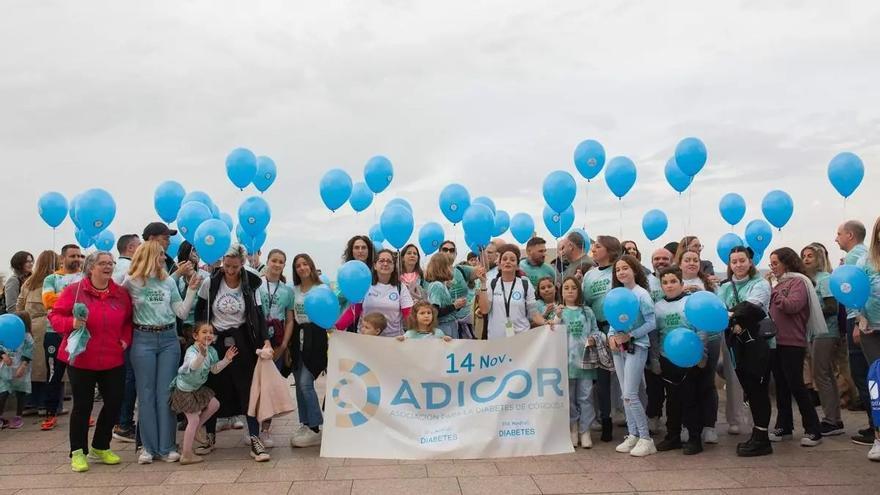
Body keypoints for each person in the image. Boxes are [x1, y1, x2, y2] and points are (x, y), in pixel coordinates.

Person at [47, 251, 132, 473]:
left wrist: (125, 340)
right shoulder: (74, 291)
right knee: (82, 406)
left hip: (112, 357)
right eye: (102, 263)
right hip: (81, 358)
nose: (108, 267)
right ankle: (78, 451)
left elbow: (128, 321)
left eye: (111, 263)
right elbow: (54, 316)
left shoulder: (121, 294)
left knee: (114, 402)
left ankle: (100, 446)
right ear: (91, 267)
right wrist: (71, 323)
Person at [124, 240, 201, 464]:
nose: (163, 259)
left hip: (168, 339)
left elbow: (182, 312)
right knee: (146, 394)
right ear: (148, 256)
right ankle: (148, 448)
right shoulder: (130, 282)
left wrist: (192, 291)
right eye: (159, 255)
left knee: (166, 394)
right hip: (143, 338)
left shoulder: (168, 281)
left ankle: (167, 447)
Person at [194, 243, 273, 462]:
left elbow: (259, 314)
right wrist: (200, 337)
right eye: (227, 266)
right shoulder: (210, 283)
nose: (230, 270)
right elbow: (199, 311)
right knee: (213, 387)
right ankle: (210, 435)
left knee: (247, 388)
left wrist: (265, 340)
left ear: (242, 264)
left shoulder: (251, 283)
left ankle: (255, 437)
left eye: (235, 267)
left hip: (242, 340)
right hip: (216, 340)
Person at [767, 247, 825, 446]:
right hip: (776, 341)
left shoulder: (798, 282)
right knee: (781, 386)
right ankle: (784, 426)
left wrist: (774, 291)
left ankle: (813, 428)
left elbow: (792, 306)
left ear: (787, 263)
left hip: (792, 341)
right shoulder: (779, 284)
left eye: (775, 263)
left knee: (796, 385)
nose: (772, 267)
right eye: (771, 264)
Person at [718, 246, 773, 457]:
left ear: (750, 262)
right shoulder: (724, 287)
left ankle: (762, 437)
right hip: (736, 345)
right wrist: (731, 317)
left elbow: (752, 306)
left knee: (758, 390)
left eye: (742, 260)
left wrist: (731, 315)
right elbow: (717, 309)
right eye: (734, 261)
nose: (738, 265)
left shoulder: (760, 283)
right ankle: (757, 435)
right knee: (748, 389)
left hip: (758, 345)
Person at [653, 267, 711, 455]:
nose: (669, 286)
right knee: (672, 400)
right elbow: (655, 335)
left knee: (690, 399)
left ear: (681, 283)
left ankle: (694, 438)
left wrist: (701, 355)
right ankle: (673, 436)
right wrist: (655, 359)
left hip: (690, 359)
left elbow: (701, 329)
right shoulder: (658, 306)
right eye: (665, 282)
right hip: (667, 358)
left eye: (673, 281)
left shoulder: (690, 303)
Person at [608, 255, 657, 457]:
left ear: (635, 270)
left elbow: (651, 323)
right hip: (619, 349)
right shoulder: (615, 294)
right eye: (618, 269)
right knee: (624, 395)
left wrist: (630, 335)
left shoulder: (642, 294)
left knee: (631, 394)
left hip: (637, 346)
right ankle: (633, 434)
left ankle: (646, 438)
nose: (621, 272)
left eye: (625, 268)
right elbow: (613, 321)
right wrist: (611, 336)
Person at [170, 323, 237, 465]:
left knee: (214, 404)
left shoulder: (212, 351)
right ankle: (186, 454)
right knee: (193, 420)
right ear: (195, 336)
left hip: (196, 388)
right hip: (184, 390)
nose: (208, 335)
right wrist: (201, 355)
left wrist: (226, 360)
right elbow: (193, 366)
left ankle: (196, 429)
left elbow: (214, 369)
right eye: (204, 332)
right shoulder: (191, 351)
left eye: (211, 332)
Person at [835, 220, 875, 446]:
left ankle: (874, 426)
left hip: (859, 320)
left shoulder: (854, 259)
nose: (836, 238)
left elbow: (854, 292)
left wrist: (858, 323)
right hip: (866, 319)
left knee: (862, 373)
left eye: (839, 234)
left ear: (850, 235)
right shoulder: (866, 254)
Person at [801, 243, 846, 436]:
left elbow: (832, 307)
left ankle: (831, 420)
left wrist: (809, 312)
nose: (806, 259)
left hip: (826, 332)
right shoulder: (809, 280)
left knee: (822, 375)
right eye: (804, 256)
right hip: (815, 333)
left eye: (810, 256)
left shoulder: (825, 279)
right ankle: (834, 418)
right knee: (825, 374)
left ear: (819, 258)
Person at [40, 244, 84, 431]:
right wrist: (74, 297)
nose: (77, 259)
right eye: (73, 256)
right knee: (54, 374)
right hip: (54, 332)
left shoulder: (85, 277)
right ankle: (50, 413)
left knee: (83, 375)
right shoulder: (52, 278)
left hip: (79, 332)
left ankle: (84, 412)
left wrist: (63, 299)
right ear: (62, 258)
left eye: (79, 256)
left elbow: (89, 300)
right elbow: (48, 301)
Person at [582, 235, 620, 442]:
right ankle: (606, 420)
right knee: (602, 380)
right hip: (598, 330)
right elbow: (585, 302)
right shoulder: (589, 275)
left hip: (621, 330)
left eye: (598, 246)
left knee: (626, 379)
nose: (593, 250)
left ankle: (635, 423)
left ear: (610, 250)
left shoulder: (619, 270)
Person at [556, 276, 600, 449]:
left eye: (573, 288)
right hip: (566, 362)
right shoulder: (559, 311)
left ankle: (585, 430)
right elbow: (552, 330)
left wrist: (594, 338)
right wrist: (557, 317)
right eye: (566, 288)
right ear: (561, 291)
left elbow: (596, 331)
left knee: (586, 396)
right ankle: (573, 428)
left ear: (579, 291)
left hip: (585, 361)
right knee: (569, 398)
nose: (570, 291)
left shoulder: (587, 311)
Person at [289, 253, 327, 448]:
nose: (302, 268)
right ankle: (305, 423)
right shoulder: (293, 290)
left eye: (305, 264)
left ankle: (315, 427)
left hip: (316, 338)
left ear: (311, 266)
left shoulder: (322, 289)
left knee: (306, 383)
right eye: (298, 265)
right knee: (298, 384)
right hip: (297, 338)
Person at [335, 249, 415, 340]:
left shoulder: (400, 287)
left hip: (393, 340)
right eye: (381, 261)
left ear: (393, 267)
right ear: (375, 265)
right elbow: (353, 311)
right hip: (366, 339)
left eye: (389, 261)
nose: (385, 264)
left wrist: (413, 334)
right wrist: (336, 327)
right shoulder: (365, 285)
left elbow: (409, 315)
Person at [14, 251, 56, 416]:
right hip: (49, 325)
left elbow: (19, 305)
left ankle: (30, 403)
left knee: (32, 365)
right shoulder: (53, 281)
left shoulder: (29, 282)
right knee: (49, 366)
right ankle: (45, 404)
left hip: (31, 326)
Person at [477, 244, 547, 340]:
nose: (508, 262)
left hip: (521, 338)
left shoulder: (525, 284)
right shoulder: (491, 283)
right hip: (496, 340)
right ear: (499, 265)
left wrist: (546, 323)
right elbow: (484, 310)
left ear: (517, 266)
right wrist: (483, 283)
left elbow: (534, 313)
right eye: (504, 259)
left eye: (512, 260)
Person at [854, 217, 880, 460]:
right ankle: (878, 437)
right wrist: (859, 319)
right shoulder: (865, 261)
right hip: (871, 330)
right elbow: (854, 291)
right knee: (877, 382)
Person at [0, 312, 34, 429]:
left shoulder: (27, 337)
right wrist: (3, 355)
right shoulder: (5, 332)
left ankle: (18, 415)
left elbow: (28, 352)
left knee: (20, 392)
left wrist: (23, 366)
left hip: (20, 368)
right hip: (6, 368)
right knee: (3, 391)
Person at [424, 254, 464, 338]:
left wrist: (457, 306)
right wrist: (454, 306)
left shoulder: (441, 285)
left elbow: (444, 307)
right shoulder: (437, 286)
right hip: (444, 327)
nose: (452, 268)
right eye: (449, 265)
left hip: (448, 326)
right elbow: (435, 311)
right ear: (443, 267)